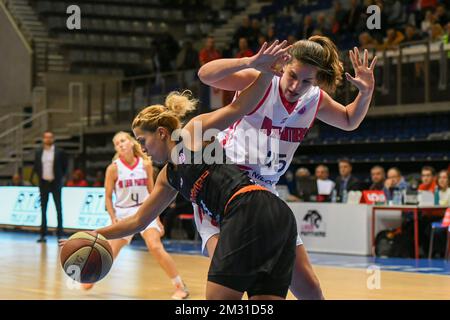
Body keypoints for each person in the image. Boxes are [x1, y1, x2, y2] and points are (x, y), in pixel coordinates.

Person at [70, 45, 299, 299]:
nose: (141, 148)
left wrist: (265, 71)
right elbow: (138, 222)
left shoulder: (192, 133)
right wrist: (93, 233)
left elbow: (239, 108)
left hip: (249, 206)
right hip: (275, 215)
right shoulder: (167, 177)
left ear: (161, 133)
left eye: (142, 140)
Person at [197, 35, 377, 299]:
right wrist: (249, 61)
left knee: (311, 290)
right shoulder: (259, 80)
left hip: (266, 192)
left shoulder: (314, 99)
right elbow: (205, 75)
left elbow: (349, 120)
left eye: (307, 81)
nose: (295, 86)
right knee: (233, 283)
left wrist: (366, 93)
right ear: (283, 65)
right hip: (226, 186)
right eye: (292, 75)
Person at [81, 131, 189, 299]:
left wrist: (157, 217)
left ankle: (179, 285)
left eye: (123, 140)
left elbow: (152, 192)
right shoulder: (113, 168)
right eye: (117, 143)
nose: (120, 144)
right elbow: (108, 197)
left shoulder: (145, 164)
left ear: (132, 143)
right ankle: (93, 276)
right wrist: (112, 217)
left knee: (155, 246)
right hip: (124, 212)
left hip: (144, 210)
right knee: (111, 251)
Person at [32, 131, 68, 243]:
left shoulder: (59, 152)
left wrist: (61, 178)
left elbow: (65, 166)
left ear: (53, 139)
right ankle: (43, 235)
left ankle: (60, 234)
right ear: (43, 139)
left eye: (50, 137)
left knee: (58, 208)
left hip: (55, 183)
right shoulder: (38, 152)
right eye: (46, 137)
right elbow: (37, 166)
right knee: (43, 209)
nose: (48, 139)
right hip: (43, 183)